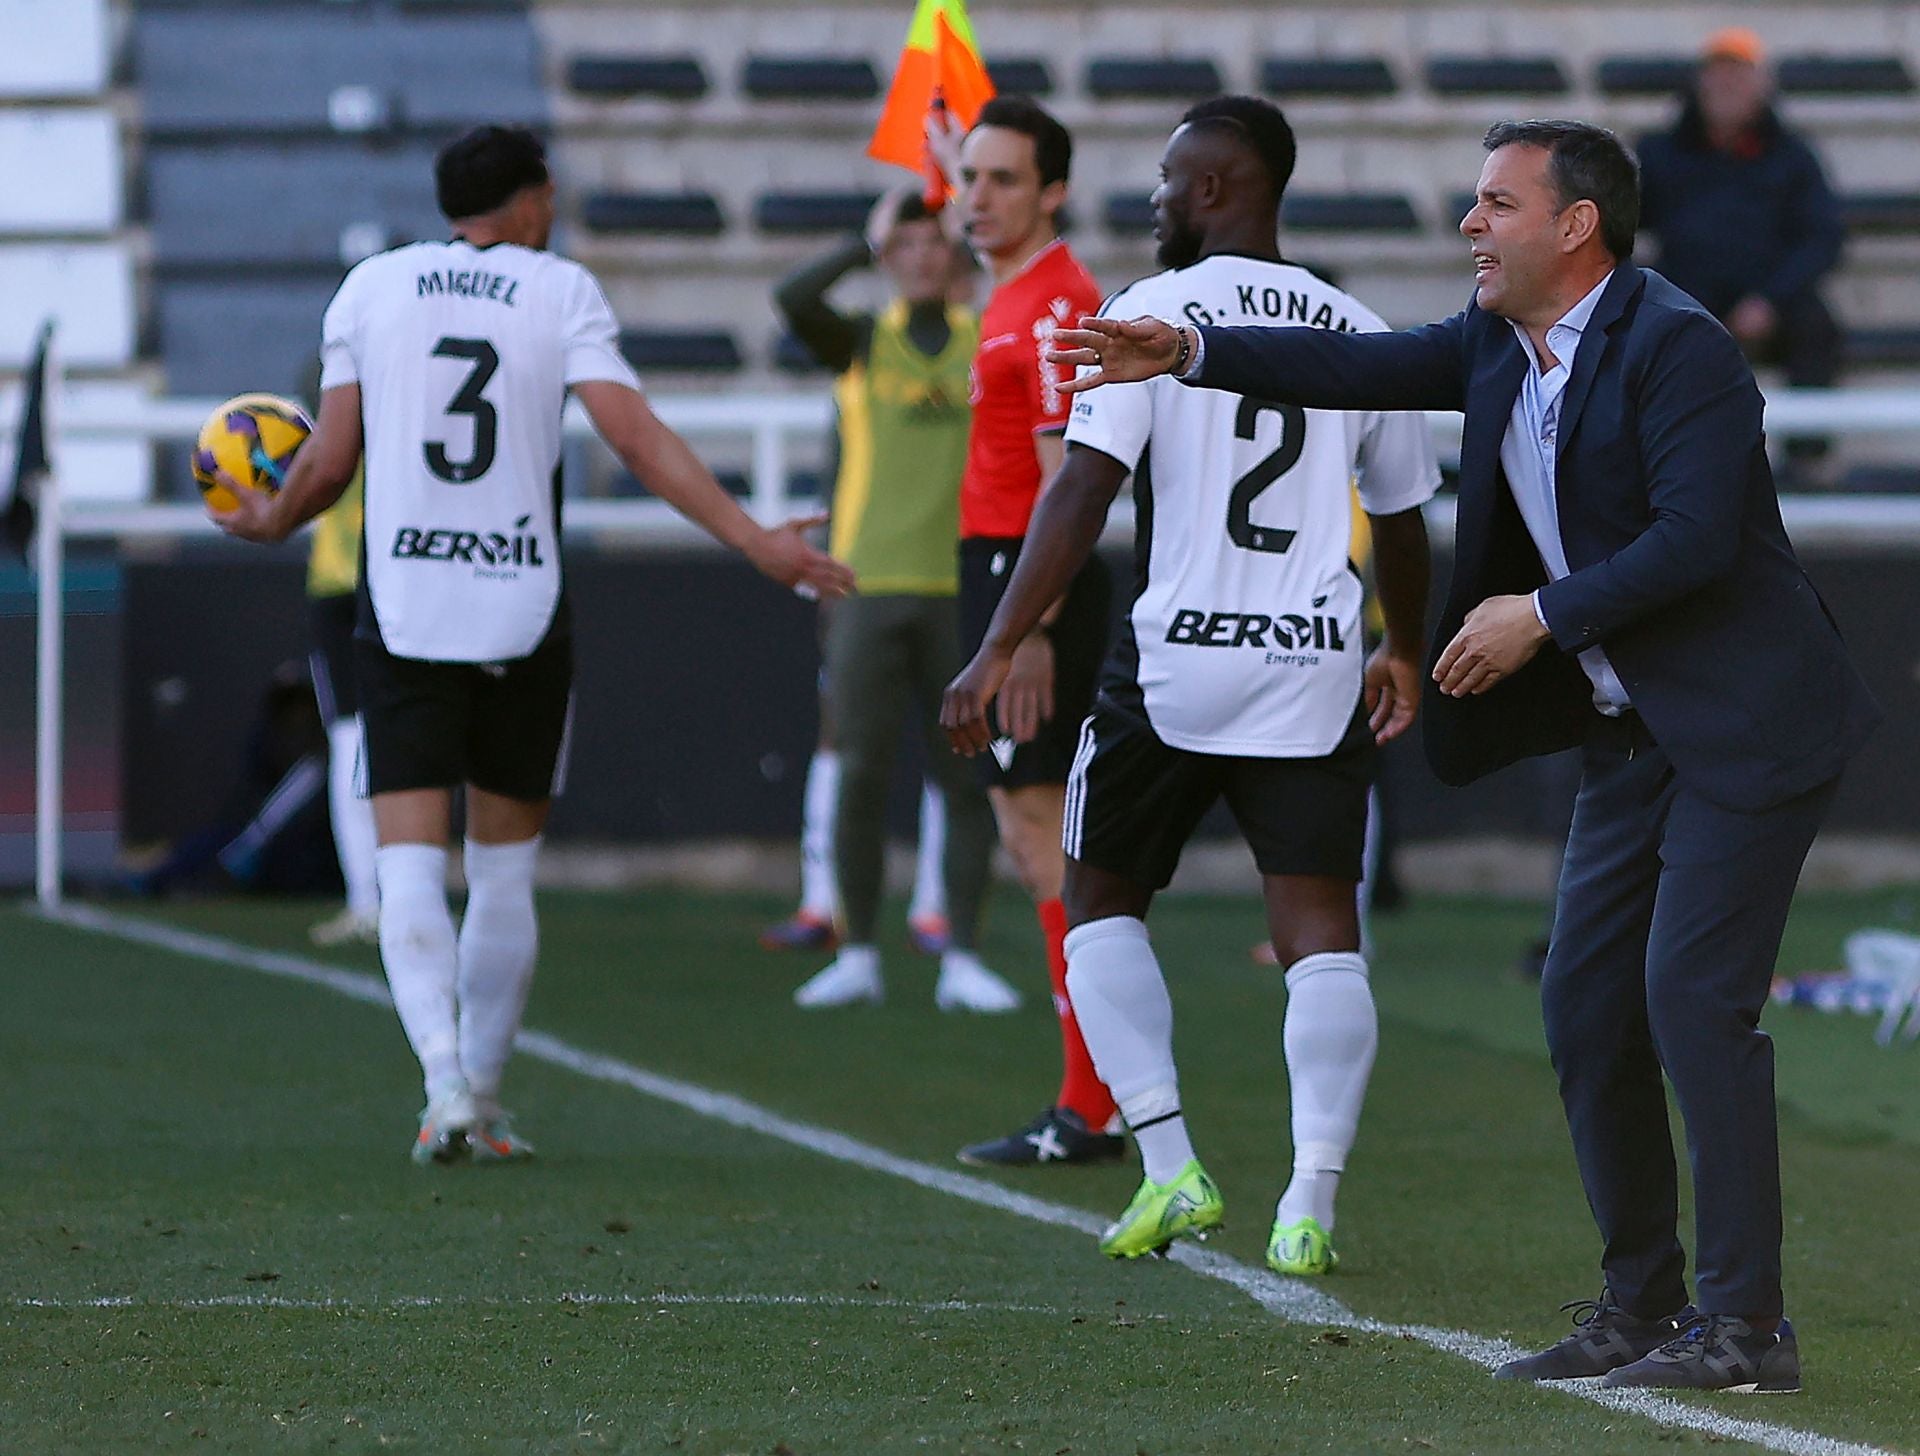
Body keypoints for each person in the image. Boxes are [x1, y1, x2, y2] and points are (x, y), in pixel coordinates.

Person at [1050, 119, 1878, 1392]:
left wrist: (1538, 615)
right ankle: (1637, 1303)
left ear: (1575, 224)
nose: (1468, 227)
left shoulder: (1681, 347)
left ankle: (1748, 1325)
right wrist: (1191, 350)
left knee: (1691, 1004)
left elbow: (1699, 537)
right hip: (1633, 728)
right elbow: (1361, 367)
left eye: (1494, 203)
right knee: (1583, 1006)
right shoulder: (1498, 340)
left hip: (1748, 723)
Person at [210, 124, 851, 1164]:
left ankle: (444, 1085)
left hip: (408, 606)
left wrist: (270, 521)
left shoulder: (371, 287)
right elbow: (635, 438)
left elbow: (325, 466)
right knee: (503, 877)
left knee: (409, 863)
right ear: (535, 197)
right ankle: (490, 1096)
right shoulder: (560, 290)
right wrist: (754, 540)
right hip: (519, 607)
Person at [944, 96, 1437, 1272]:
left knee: (1100, 896)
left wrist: (1001, 641)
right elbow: (1409, 523)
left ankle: (1171, 1169)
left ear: (1217, 187)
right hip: (1313, 657)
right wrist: (1403, 647)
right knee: (1321, 934)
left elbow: (1081, 491)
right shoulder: (1359, 326)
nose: (1158, 200)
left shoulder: (1148, 315)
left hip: (1176, 659)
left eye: (1171, 181)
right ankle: (1310, 1200)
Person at [924, 94, 1124, 1167]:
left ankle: (1089, 1103)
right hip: (1001, 572)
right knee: (1032, 833)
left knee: (1047, 836)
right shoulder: (1013, 293)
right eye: (970, 178)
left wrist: (1032, 628)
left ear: (1053, 191)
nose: (977, 198)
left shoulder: (1052, 307)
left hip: (1026, 579)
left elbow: (1069, 481)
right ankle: (1093, 1093)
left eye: (1003, 179)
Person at [778, 187, 1010, 1010]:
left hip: (960, 588)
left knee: (969, 779)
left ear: (954, 257)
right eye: (903, 244)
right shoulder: (861, 342)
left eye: (932, 242)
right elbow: (792, 298)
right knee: (862, 775)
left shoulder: (984, 342)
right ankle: (860, 951)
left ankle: (964, 954)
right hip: (868, 585)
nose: (918, 255)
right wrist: (859, 238)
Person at [1637, 27, 1846, 479]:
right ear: (1699, 83)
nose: (1727, 86)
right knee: (1646, 328)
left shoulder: (1792, 156)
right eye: (1718, 74)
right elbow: (1622, 220)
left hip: (1770, 296)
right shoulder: (1659, 152)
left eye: (1740, 75)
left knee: (1817, 328)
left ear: (1762, 86)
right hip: (1687, 294)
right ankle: (1668, 461)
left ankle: (1808, 461)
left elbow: (1822, 237)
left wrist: (1770, 299)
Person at [304, 467, 381, 945]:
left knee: (365, 744)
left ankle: (382, 901)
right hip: (354, 584)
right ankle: (371, 900)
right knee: (355, 745)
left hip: (386, 579)